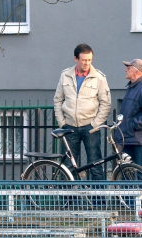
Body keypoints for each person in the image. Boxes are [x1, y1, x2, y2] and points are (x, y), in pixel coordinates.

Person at [53, 43, 111, 182]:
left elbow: (106, 103)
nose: (86, 63)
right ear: (76, 59)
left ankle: (99, 202)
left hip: (90, 127)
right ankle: (67, 202)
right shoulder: (65, 75)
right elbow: (57, 100)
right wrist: (62, 123)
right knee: (68, 166)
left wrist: (95, 124)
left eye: (89, 60)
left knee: (96, 164)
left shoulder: (99, 77)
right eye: (84, 60)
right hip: (69, 127)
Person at [115, 59, 142, 167]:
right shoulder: (131, 87)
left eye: (129, 68)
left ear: (137, 71)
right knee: (126, 173)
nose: (125, 70)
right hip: (127, 139)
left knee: (140, 173)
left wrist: (132, 125)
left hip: (138, 140)